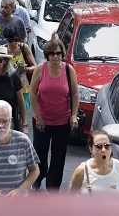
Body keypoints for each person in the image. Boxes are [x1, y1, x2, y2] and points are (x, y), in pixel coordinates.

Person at [29, 39, 79, 191]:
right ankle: (38, 177)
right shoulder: (40, 69)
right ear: (47, 55)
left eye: (58, 53)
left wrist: (73, 115)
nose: (55, 57)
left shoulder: (68, 70)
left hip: (62, 121)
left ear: (62, 54)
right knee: (40, 153)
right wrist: (38, 116)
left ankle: (53, 187)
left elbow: (75, 94)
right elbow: (32, 93)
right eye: (52, 54)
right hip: (42, 120)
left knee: (58, 156)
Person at [69, 130, 119, 196]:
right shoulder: (82, 170)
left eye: (107, 146)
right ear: (91, 149)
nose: (103, 150)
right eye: (98, 146)